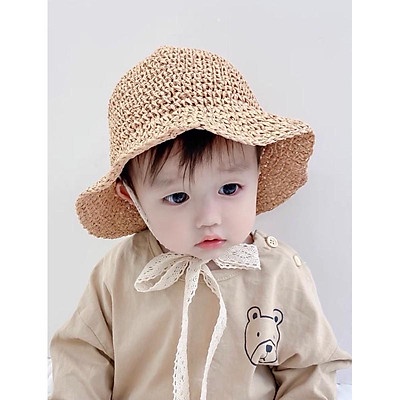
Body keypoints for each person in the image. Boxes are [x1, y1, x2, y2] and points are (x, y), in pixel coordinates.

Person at [49, 45, 351, 399]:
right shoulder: (120, 273)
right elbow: (82, 355)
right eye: (178, 197)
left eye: (229, 188)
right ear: (131, 197)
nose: (209, 218)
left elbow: (310, 368)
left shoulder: (278, 273)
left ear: (257, 173)